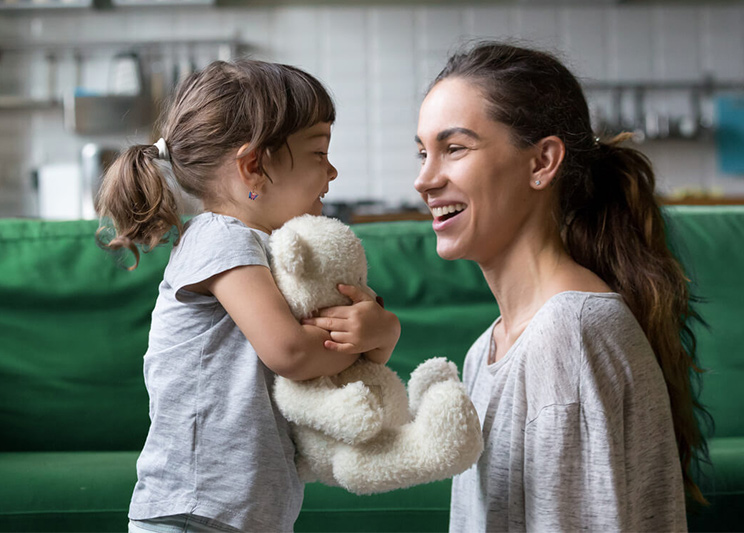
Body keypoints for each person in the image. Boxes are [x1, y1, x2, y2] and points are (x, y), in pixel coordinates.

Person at [413, 42, 710, 532]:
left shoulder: (568, 336)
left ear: (541, 162)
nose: (424, 179)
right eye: (423, 152)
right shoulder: (484, 350)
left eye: (455, 148)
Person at [96, 59, 400, 533]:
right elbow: (293, 352)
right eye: (319, 152)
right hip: (192, 510)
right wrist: (374, 334)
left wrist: (377, 331)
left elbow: (338, 352)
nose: (333, 170)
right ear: (254, 166)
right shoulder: (220, 238)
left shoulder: (272, 250)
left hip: (245, 511)